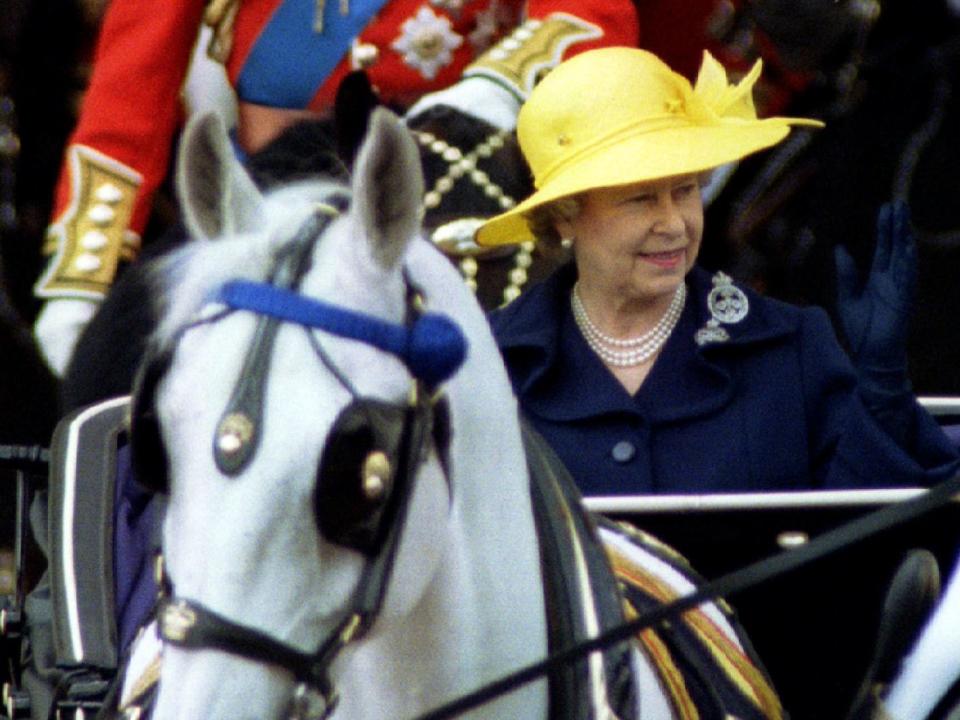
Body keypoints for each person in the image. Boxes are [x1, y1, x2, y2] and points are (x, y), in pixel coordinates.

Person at [31, 0, 675, 377]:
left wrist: (496, 88)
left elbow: (590, 15)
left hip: (468, 170)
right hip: (280, 185)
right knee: (112, 372)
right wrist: (78, 284)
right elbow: (126, 103)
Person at [477, 46, 960, 495]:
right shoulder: (493, 365)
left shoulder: (790, 348)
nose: (673, 224)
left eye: (686, 191)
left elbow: (867, 543)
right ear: (564, 214)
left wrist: (880, 390)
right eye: (641, 199)